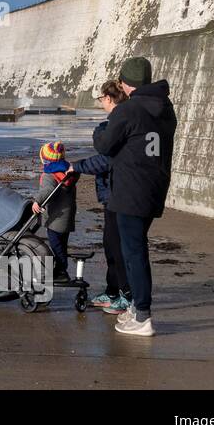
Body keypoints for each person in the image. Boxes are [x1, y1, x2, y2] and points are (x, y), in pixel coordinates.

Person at [91, 56, 177, 337]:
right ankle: (136, 310)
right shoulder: (166, 109)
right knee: (135, 249)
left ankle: (142, 315)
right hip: (155, 189)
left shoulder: (127, 110)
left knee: (134, 253)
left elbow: (105, 145)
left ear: (126, 85)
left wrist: (100, 129)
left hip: (129, 191)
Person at [70, 81, 131, 313]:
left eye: (101, 100)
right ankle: (113, 291)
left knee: (118, 246)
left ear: (107, 98)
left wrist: (76, 166)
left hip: (119, 193)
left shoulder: (116, 124)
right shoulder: (117, 122)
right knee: (111, 245)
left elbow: (107, 160)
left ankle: (125, 296)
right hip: (114, 194)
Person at [32, 141, 76, 283]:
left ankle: (61, 271)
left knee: (56, 246)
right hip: (67, 217)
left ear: (45, 159)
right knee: (62, 244)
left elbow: (47, 190)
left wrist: (37, 200)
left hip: (55, 219)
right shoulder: (68, 173)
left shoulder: (49, 175)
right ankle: (60, 268)